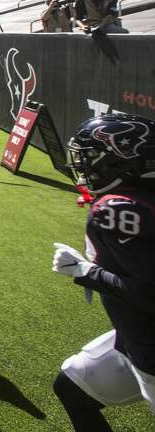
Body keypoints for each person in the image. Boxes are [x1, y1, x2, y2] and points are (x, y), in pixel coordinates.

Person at [51, 113, 155, 430]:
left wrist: (84, 271)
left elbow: (149, 293)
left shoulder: (117, 209)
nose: (84, 167)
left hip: (150, 345)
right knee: (73, 386)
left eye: (92, 158)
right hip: (135, 339)